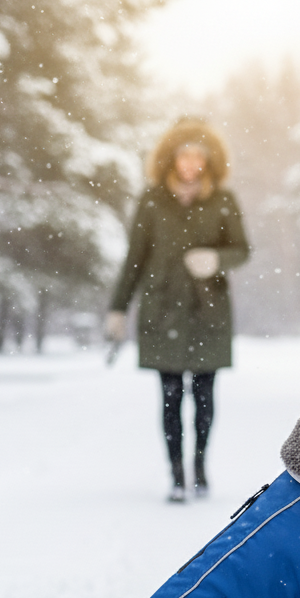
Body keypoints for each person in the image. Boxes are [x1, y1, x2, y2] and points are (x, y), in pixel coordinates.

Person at [106, 117, 250, 502]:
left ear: (208, 159)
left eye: (198, 156)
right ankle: (175, 473)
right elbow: (135, 259)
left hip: (208, 312)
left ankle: (200, 466)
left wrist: (215, 259)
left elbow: (242, 250)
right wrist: (118, 309)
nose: (190, 163)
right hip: (163, 310)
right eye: (184, 155)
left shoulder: (223, 200)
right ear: (172, 157)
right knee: (170, 398)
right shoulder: (152, 199)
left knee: (204, 396)